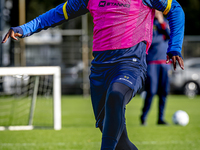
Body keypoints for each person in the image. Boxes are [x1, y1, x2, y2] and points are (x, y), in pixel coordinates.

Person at [1, 0, 185, 149]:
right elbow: (56, 14)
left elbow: (175, 9)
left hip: (130, 64)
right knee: (119, 142)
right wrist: (25, 29)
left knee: (116, 95)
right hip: (99, 70)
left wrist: (175, 47)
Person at [140, 10, 171, 125]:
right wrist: (163, 37)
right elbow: (151, 41)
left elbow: (169, 35)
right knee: (151, 91)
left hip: (165, 63)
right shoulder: (148, 24)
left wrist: (162, 23)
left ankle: (160, 118)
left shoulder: (165, 23)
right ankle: (144, 117)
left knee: (164, 92)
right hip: (152, 63)